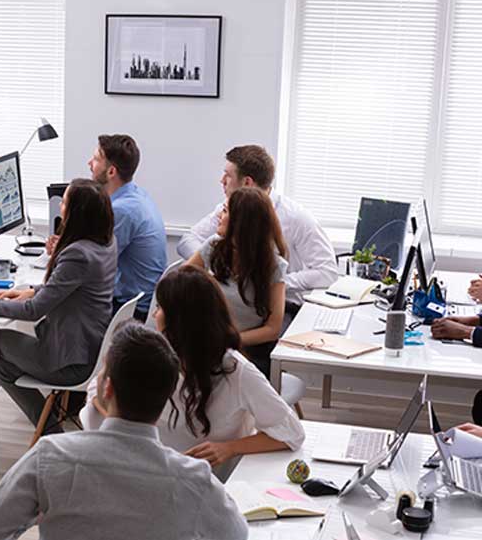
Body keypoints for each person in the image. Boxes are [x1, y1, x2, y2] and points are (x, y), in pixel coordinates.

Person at [0, 323, 248, 540]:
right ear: (168, 396)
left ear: (107, 387)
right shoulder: (194, 479)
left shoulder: (50, 458)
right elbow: (237, 535)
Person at [82, 265, 304, 478]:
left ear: (178, 319)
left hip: (213, 481)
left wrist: (229, 448)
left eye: (160, 308)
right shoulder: (155, 355)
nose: (154, 315)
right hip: (158, 476)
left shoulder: (235, 370)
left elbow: (292, 433)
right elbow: (98, 390)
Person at [0, 179, 116, 435]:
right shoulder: (105, 242)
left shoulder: (77, 254)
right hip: (92, 348)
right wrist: (30, 291)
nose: (61, 207)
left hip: (71, 362)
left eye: (65, 202)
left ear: (77, 213)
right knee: (0, 364)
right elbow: (68, 288)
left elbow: (34, 310)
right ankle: (44, 429)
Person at [177, 145, 336, 309]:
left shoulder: (296, 218)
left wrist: (275, 284)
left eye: (228, 175)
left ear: (247, 182)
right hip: (232, 302)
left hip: (278, 307)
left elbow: (327, 273)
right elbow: (187, 240)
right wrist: (212, 263)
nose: (221, 180)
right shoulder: (226, 209)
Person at [48, 135, 166, 321]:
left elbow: (93, 264)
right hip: (140, 299)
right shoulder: (135, 195)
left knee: (56, 305)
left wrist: (60, 253)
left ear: (111, 171)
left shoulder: (121, 211)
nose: (89, 163)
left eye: (95, 159)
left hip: (132, 309)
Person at [185, 187, 288, 376]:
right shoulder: (214, 246)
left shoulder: (274, 266)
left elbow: (272, 329)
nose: (219, 216)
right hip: (211, 343)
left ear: (240, 223)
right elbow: (179, 281)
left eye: (224, 211)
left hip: (248, 350)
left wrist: (229, 340)